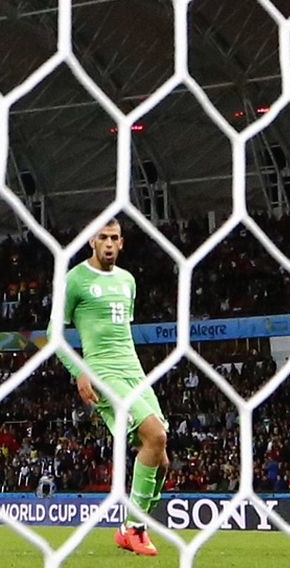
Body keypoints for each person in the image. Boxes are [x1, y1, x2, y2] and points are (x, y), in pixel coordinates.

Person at [52, 218, 168, 556]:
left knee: (162, 461)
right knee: (155, 436)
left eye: (114, 237)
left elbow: (121, 334)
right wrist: (80, 372)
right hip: (103, 372)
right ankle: (135, 528)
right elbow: (54, 334)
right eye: (102, 237)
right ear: (92, 240)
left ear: (121, 243)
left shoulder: (128, 281)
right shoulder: (74, 279)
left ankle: (129, 528)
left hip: (134, 372)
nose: (108, 243)